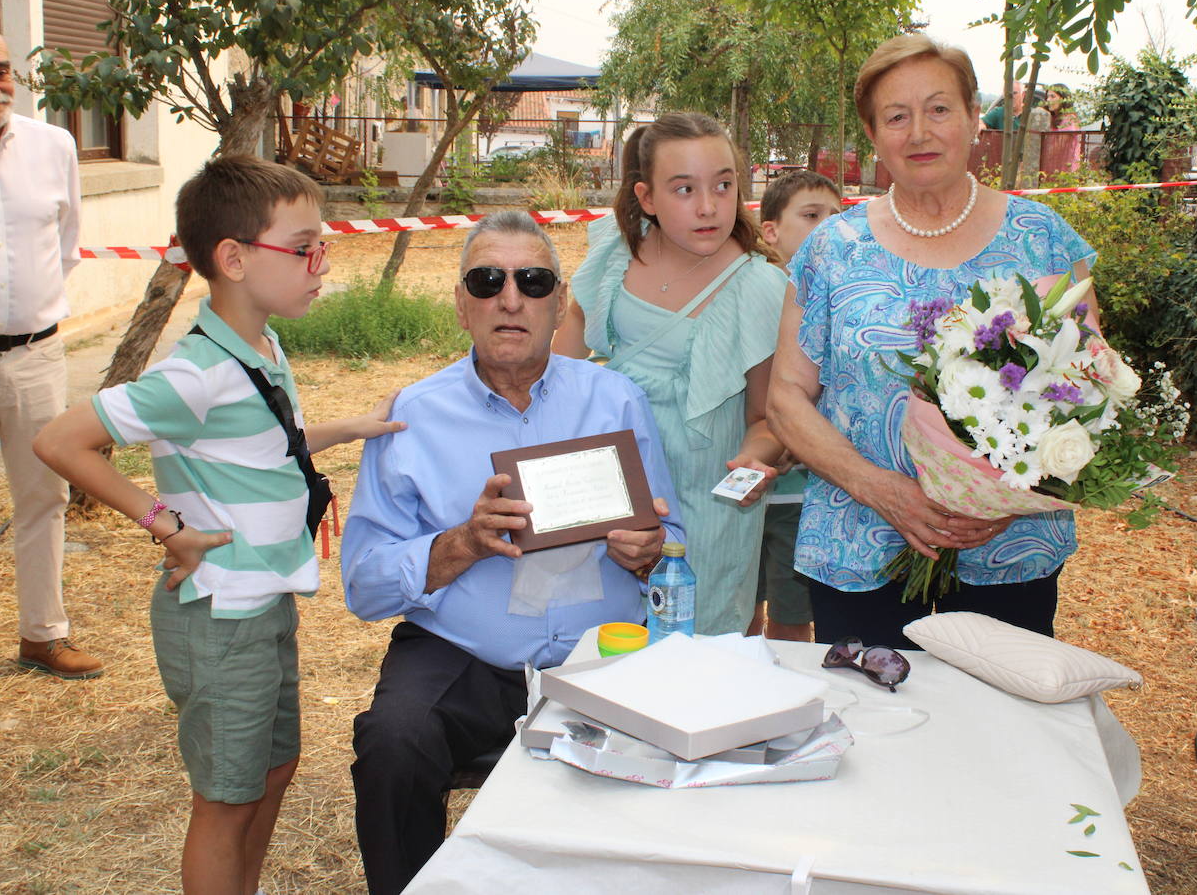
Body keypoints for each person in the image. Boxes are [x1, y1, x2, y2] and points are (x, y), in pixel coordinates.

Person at [33, 155, 404, 894]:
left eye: (322, 246)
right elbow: (59, 441)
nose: (322, 263)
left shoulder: (260, 346)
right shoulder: (195, 372)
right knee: (226, 799)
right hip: (219, 616)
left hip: (262, 602)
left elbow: (266, 445)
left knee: (274, 768)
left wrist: (349, 429)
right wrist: (164, 522)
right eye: (303, 249)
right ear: (234, 259)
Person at [344, 211, 683, 895]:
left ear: (559, 303)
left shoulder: (615, 399)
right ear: (461, 303)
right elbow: (365, 586)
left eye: (532, 281)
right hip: (463, 653)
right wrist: (462, 543)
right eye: (486, 281)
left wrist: (650, 551)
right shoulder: (412, 417)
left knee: (686, 736)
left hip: (603, 652)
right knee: (393, 742)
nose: (509, 298)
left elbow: (674, 543)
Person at [768, 33, 1097, 650]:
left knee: (997, 711)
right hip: (861, 544)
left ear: (974, 117)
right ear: (873, 135)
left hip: (1007, 549)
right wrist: (880, 490)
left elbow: (1086, 388)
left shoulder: (1042, 239)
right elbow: (786, 396)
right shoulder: (832, 249)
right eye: (897, 116)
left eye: (939, 108)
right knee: (871, 711)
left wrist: (1004, 499)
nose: (919, 132)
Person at [552, 111, 786, 636]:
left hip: (706, 515)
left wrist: (755, 461)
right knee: (604, 648)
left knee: (691, 658)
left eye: (723, 186)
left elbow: (767, 418)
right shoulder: (616, 253)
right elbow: (560, 375)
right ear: (647, 197)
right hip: (611, 501)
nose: (708, 206)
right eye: (684, 189)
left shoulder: (758, 287)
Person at [0, 25, 99, 679]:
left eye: (1, 70)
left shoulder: (54, 146)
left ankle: (43, 636)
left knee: (44, 498)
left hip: (36, 356)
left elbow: (65, 246)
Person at [748, 170, 842, 642]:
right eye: (810, 215)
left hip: (802, 499)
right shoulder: (749, 295)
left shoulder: (842, 299)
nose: (826, 227)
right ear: (770, 230)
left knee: (791, 617)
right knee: (738, 611)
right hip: (743, 494)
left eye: (835, 216)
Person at [1043, 83, 1082, 174]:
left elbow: (1059, 146)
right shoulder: (1051, 118)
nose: (1048, 100)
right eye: (1047, 97)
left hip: (1066, 170)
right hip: (1053, 168)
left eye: (1053, 96)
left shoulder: (1069, 119)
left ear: (1063, 99)